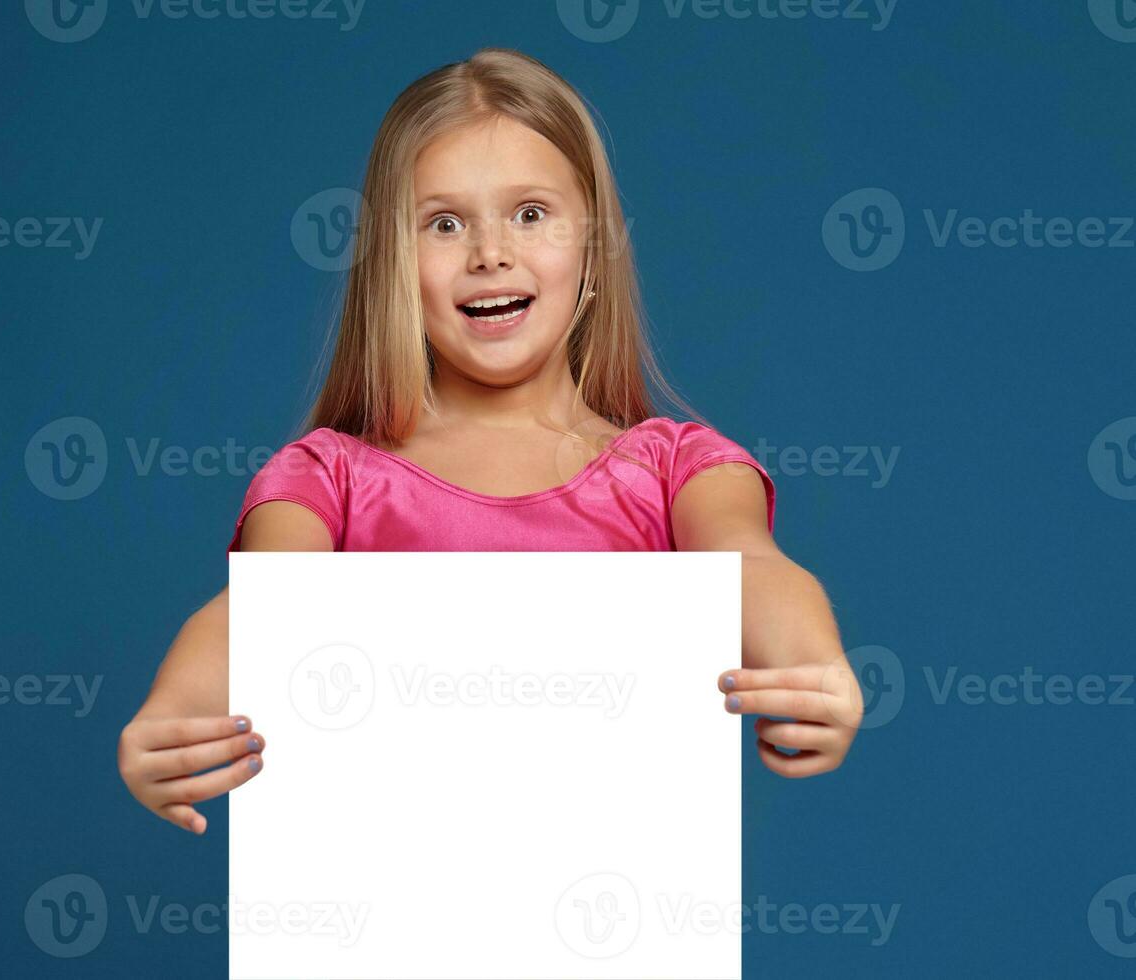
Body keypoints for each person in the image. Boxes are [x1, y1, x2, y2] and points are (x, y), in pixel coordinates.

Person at [118, 47, 863, 836]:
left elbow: (749, 563)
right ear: (393, 268)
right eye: (444, 223)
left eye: (531, 214)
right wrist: (170, 716)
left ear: (594, 247)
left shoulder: (679, 471)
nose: (490, 253)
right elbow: (259, 612)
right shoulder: (327, 480)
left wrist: (811, 660)